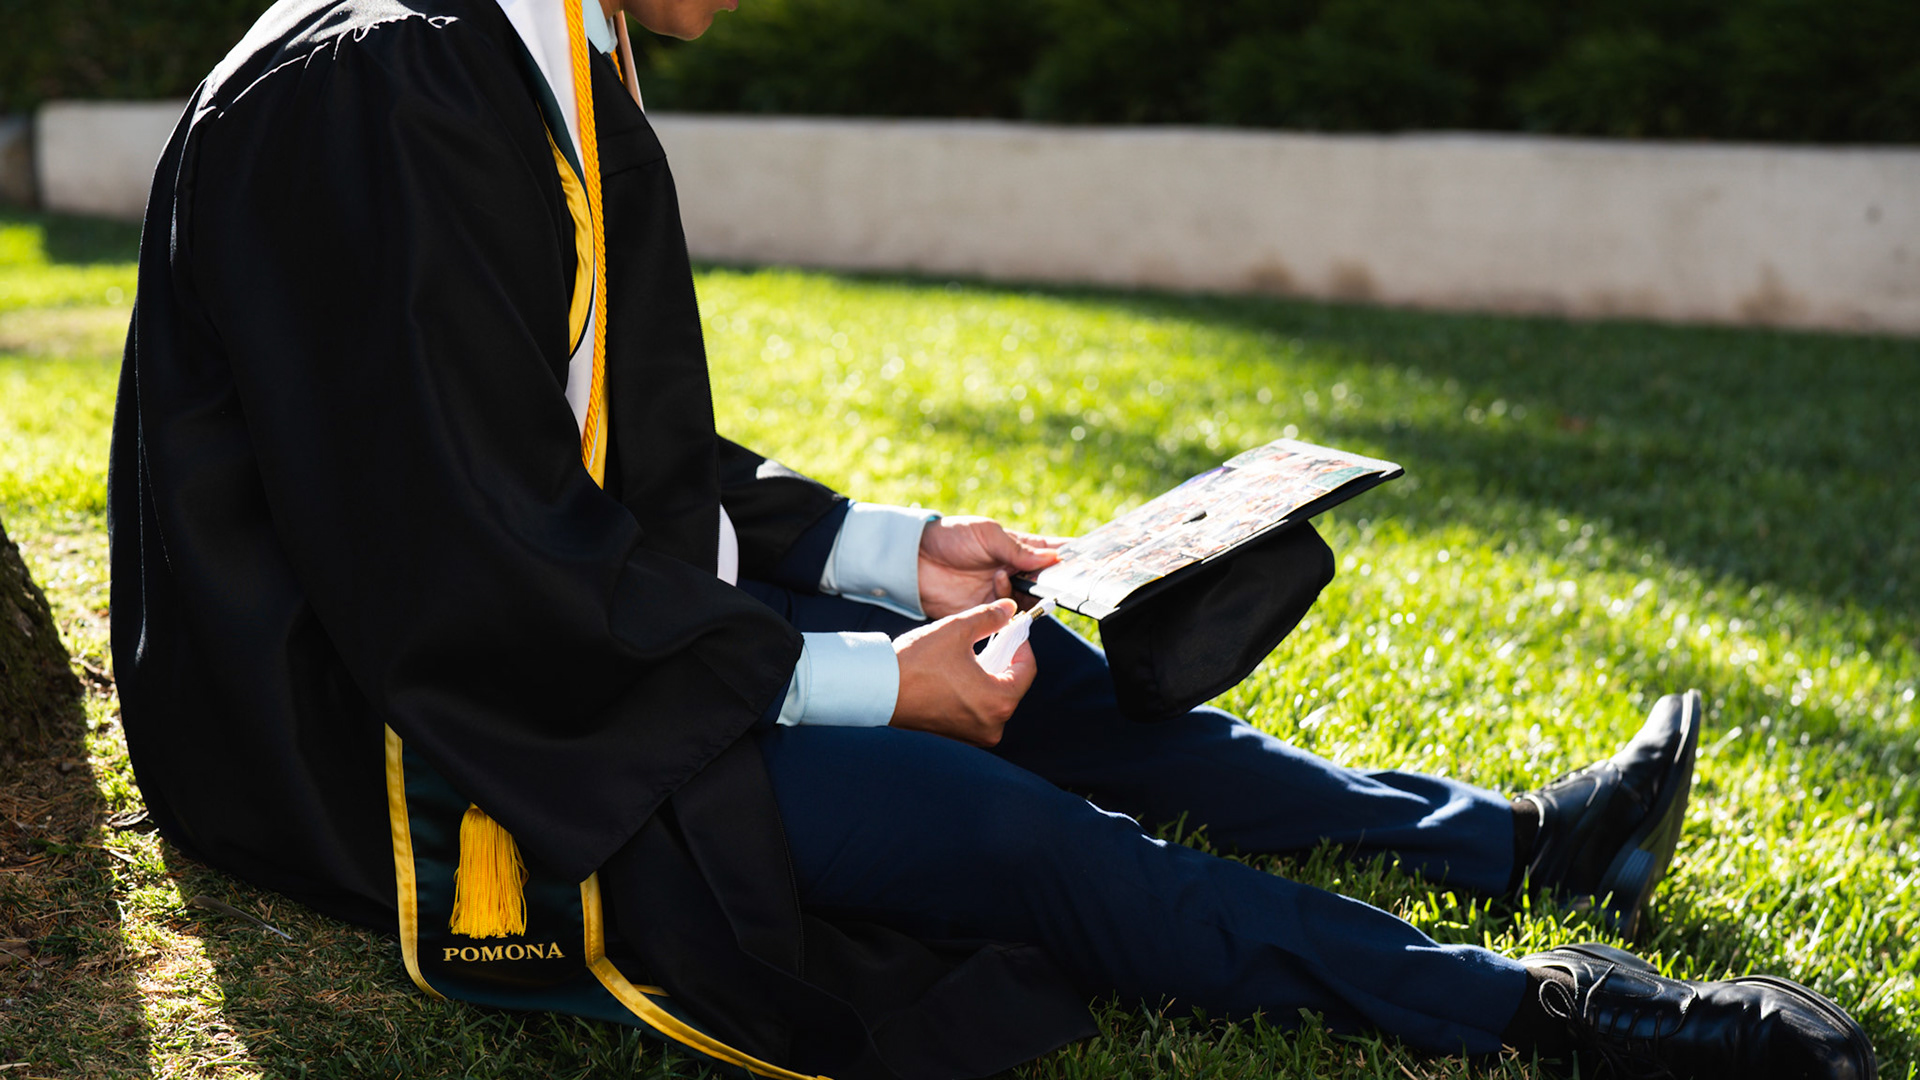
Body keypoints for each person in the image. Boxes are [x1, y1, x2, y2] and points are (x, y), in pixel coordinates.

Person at [108, 0, 1876, 1077]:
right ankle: (1541, 1011)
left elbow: (592, 455)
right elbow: (463, 577)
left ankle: (1517, 845)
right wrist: (872, 688)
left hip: (523, 625)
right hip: (397, 744)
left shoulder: (518, 44)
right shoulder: (387, 85)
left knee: (1042, 675)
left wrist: (900, 555)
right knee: (997, 821)